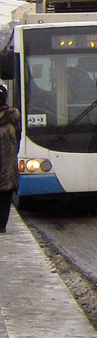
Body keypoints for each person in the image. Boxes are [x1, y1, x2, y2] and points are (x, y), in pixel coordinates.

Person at [0, 85, 22, 233]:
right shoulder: (14, 120)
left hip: (6, 167)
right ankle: (1, 225)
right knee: (5, 198)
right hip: (7, 168)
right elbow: (18, 142)